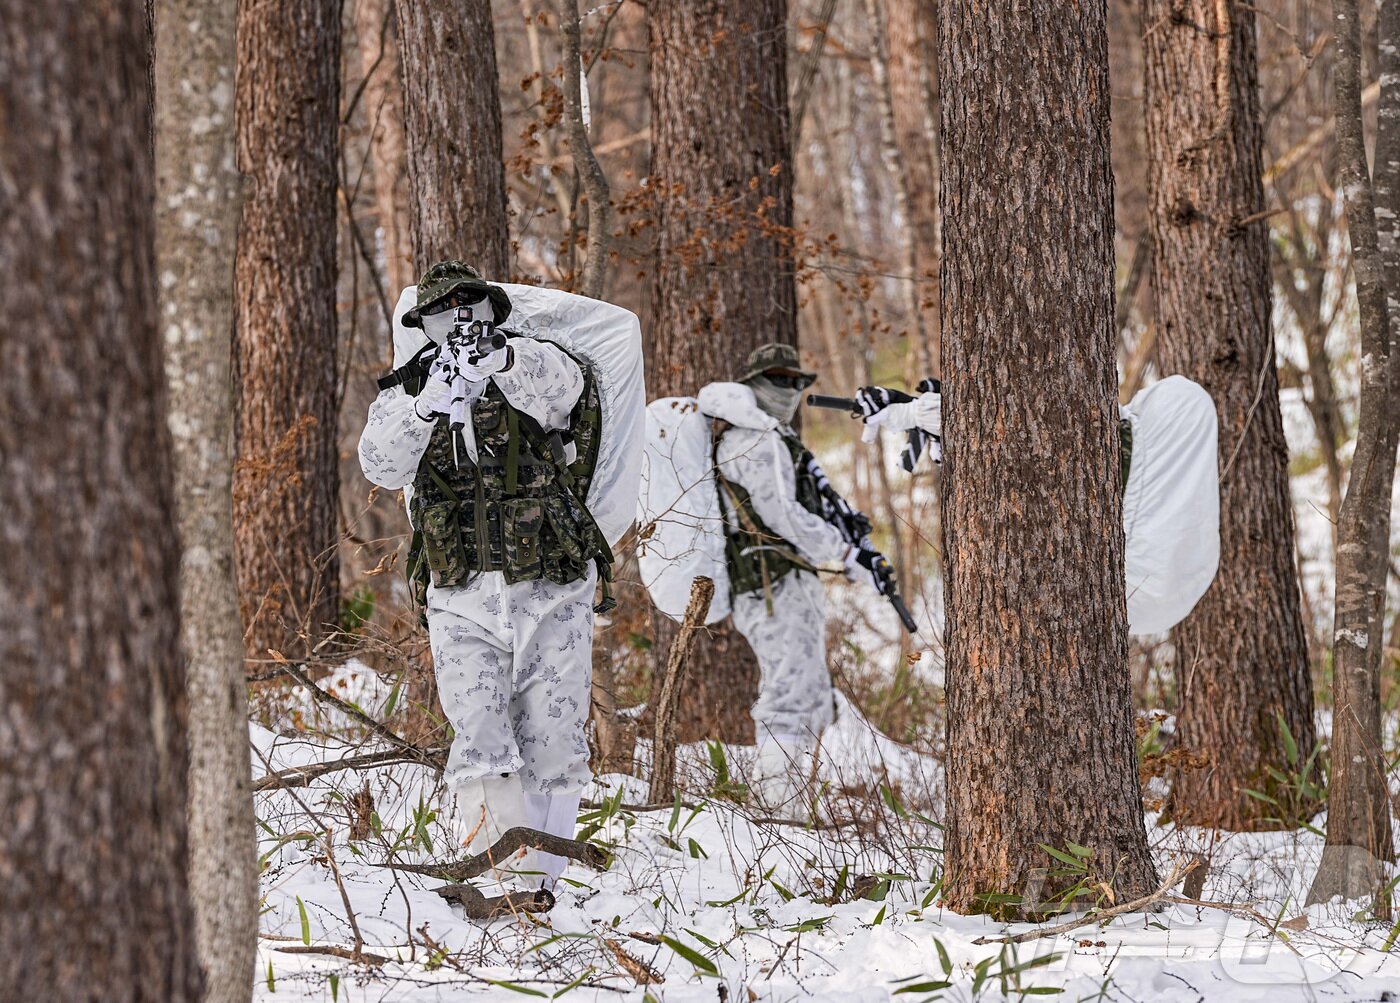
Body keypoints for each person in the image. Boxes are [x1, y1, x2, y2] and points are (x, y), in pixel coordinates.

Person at [358, 261, 612, 890]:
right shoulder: (408, 390)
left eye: (469, 307)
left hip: (550, 582)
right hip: (461, 591)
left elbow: (566, 389)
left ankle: (544, 881)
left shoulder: (531, 361)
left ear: (492, 311)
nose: (458, 321)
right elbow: (380, 465)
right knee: (478, 734)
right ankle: (501, 881)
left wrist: (499, 361)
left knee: (554, 735)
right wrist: (426, 406)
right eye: (442, 314)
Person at [699, 344, 886, 816]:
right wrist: (842, 551)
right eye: (777, 379)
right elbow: (781, 514)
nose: (788, 390)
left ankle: (789, 802)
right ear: (752, 383)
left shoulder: (762, 435)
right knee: (789, 693)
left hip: (779, 579)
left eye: (795, 381)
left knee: (805, 689)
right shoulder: (754, 439)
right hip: (772, 582)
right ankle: (778, 808)